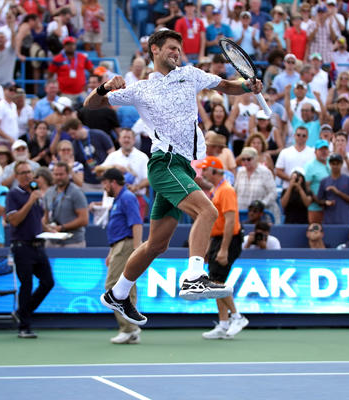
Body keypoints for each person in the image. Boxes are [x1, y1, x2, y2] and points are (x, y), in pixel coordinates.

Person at [83, 29, 265, 324]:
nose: (176, 53)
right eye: (170, 48)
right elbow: (90, 105)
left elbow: (227, 86)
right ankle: (194, 275)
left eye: (178, 49)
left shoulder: (190, 74)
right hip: (164, 163)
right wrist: (104, 87)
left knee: (157, 244)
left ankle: (118, 293)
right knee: (207, 210)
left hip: (182, 166)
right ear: (154, 49)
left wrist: (248, 85)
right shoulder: (140, 89)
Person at [198, 156, 247, 340]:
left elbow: (230, 221)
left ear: (214, 171)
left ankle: (237, 316)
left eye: (205, 170)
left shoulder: (226, 190)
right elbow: (215, 223)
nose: (202, 173)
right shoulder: (217, 190)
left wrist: (224, 249)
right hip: (218, 240)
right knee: (216, 280)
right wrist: (209, 248)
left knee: (216, 282)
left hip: (229, 240)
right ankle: (224, 323)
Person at [5, 160, 55, 338]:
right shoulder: (14, 195)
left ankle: (22, 312)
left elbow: (37, 221)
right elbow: (14, 220)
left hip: (38, 245)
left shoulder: (36, 194)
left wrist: (50, 229)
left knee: (48, 282)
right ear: (17, 176)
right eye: (23, 173)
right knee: (26, 285)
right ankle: (24, 327)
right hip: (22, 246)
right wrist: (30, 201)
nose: (27, 176)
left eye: (29, 172)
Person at [101, 168, 143, 344]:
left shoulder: (127, 198)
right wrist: (111, 252)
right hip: (119, 246)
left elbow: (137, 224)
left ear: (112, 182)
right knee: (126, 288)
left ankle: (128, 328)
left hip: (126, 246)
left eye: (105, 183)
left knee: (113, 286)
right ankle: (131, 328)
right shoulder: (120, 199)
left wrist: (136, 252)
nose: (104, 187)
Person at [42, 161, 89, 247]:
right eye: (56, 174)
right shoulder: (49, 192)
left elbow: (84, 219)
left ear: (68, 174)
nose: (58, 177)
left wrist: (62, 227)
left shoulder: (76, 192)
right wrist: (45, 226)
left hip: (72, 242)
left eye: (61, 174)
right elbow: (46, 217)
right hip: (52, 241)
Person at [234, 146, 278, 223]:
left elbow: (273, 193)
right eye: (243, 159)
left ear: (256, 159)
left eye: (249, 159)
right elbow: (235, 192)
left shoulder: (265, 172)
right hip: (243, 214)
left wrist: (262, 204)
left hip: (262, 216)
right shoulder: (240, 172)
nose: (246, 162)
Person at [317, 153, 349, 224]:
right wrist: (326, 202)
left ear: (341, 164)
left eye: (337, 163)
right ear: (330, 164)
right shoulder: (324, 181)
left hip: (345, 219)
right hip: (329, 220)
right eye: (333, 163)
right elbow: (319, 200)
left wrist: (338, 192)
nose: (335, 166)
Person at [304, 139, 330, 224]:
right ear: (315, 152)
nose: (323, 152)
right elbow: (306, 186)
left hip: (331, 207)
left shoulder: (332, 163)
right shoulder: (309, 166)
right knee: (315, 231)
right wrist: (318, 201)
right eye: (321, 149)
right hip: (315, 207)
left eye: (325, 149)